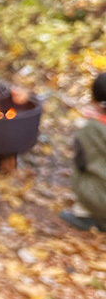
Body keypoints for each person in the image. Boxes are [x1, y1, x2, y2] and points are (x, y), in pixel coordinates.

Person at [60, 74, 106, 231]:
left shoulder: (92, 129)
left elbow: (81, 163)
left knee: (81, 173)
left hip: (102, 200)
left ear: (96, 102)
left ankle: (89, 217)